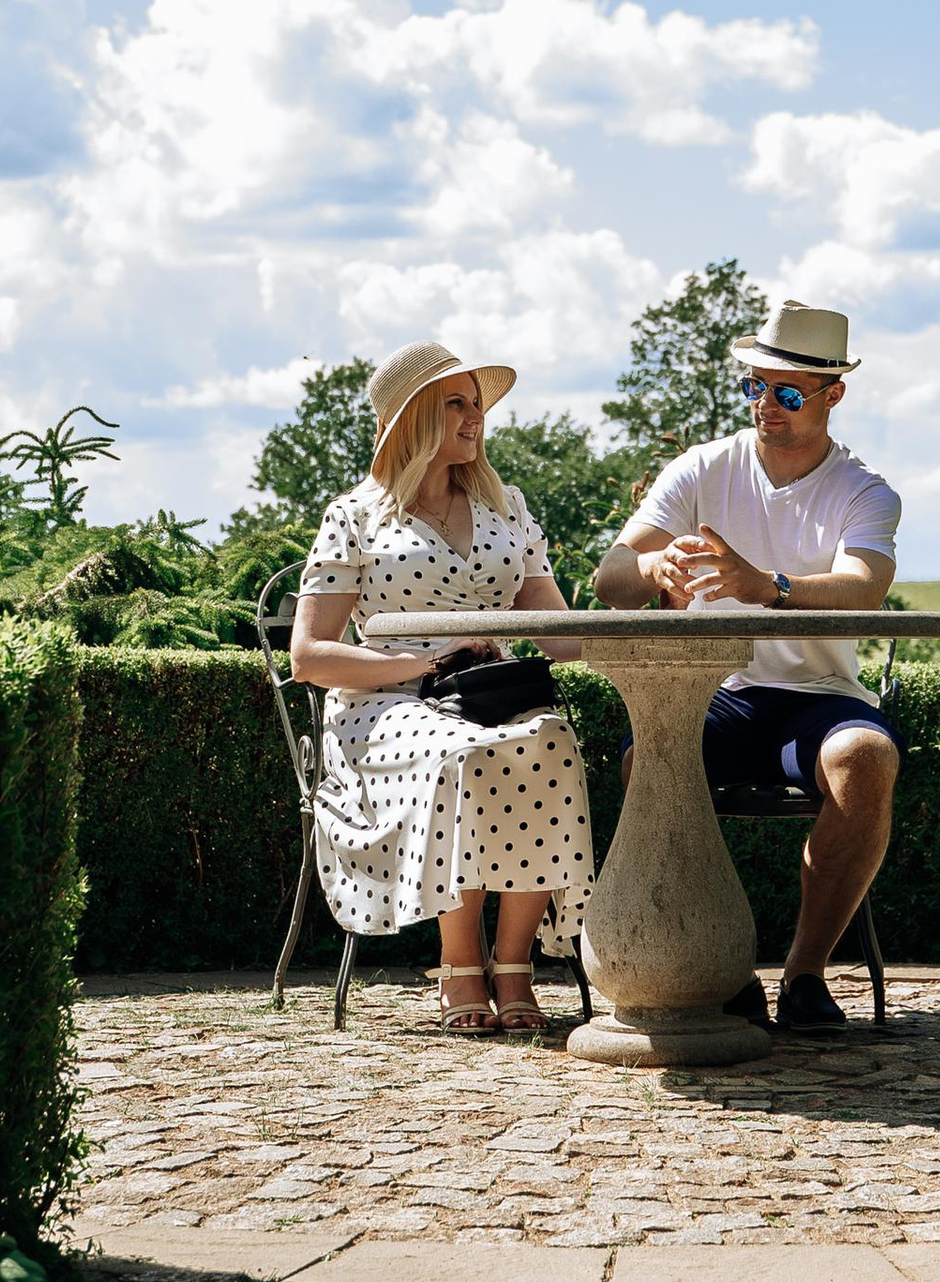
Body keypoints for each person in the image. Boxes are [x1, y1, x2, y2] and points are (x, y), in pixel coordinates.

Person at [593, 296, 900, 1036]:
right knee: (648, 761)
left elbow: (867, 586)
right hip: (717, 691)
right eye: (756, 387)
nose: (767, 404)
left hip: (818, 697)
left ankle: (804, 975)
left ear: (835, 395)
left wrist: (768, 587)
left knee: (867, 756)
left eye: (788, 392)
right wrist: (655, 563)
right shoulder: (702, 468)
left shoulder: (864, 490)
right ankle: (702, 972)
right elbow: (610, 580)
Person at [290, 340, 593, 1034]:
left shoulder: (506, 507)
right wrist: (422, 665)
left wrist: (650, 616)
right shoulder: (356, 516)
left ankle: (513, 963)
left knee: (550, 739)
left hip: (490, 697)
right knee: (464, 753)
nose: (474, 417)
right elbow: (309, 656)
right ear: (412, 416)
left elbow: (558, 636)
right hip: (386, 707)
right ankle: (460, 963)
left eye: (477, 403)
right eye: (455, 402)